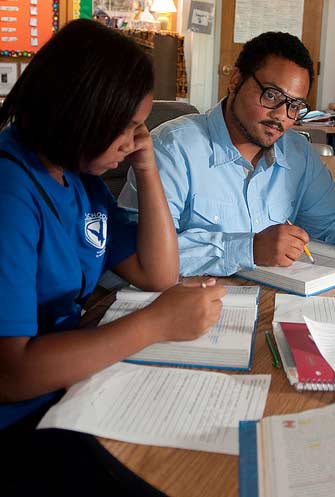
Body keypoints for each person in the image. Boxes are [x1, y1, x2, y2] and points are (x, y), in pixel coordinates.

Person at [0, 19, 225, 497]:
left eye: (139, 126)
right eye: (125, 127)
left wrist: (145, 166)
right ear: (79, 113)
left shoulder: (77, 178)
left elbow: (158, 273)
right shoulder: (11, 192)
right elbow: (12, 374)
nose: (134, 139)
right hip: (21, 422)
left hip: (71, 389)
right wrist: (155, 325)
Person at [119, 31, 335, 285]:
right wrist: (248, 248)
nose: (281, 115)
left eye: (295, 106)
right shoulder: (173, 147)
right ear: (236, 80)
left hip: (274, 303)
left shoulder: (296, 153)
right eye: (271, 95)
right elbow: (137, 251)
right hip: (186, 307)